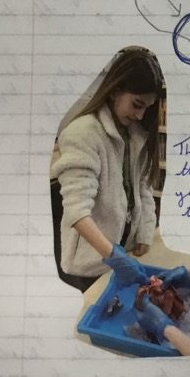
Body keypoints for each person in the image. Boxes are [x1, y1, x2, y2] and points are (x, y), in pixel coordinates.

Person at [50, 46, 166, 292]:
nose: (140, 115)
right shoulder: (82, 133)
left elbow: (143, 188)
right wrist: (113, 255)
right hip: (90, 264)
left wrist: (144, 233)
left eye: (146, 107)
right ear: (115, 91)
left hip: (124, 251)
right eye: (136, 104)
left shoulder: (135, 133)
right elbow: (77, 212)